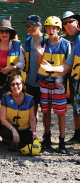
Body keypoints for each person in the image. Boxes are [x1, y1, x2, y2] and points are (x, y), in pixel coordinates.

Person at [35, 16, 72, 154]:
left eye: (54, 28)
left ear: (59, 29)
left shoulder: (66, 44)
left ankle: (62, 142)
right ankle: (47, 138)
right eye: (49, 28)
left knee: (61, 112)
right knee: (45, 111)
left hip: (59, 84)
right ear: (45, 29)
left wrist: (57, 73)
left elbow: (67, 66)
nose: (51, 30)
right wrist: (40, 54)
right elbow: (39, 65)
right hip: (45, 83)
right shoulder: (42, 43)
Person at [0, 19, 25, 144]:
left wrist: (11, 68)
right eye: (1, 31)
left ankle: (6, 134)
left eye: (7, 31)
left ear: (11, 33)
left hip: (10, 82)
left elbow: (22, 63)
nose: (4, 33)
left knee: (7, 109)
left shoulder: (17, 46)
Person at [0, 75, 37, 151]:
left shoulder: (30, 99)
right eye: (13, 84)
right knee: (7, 135)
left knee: (28, 141)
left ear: (22, 84)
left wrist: (34, 134)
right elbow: (2, 119)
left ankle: (18, 141)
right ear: (10, 86)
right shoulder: (5, 98)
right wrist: (13, 130)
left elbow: (32, 119)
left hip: (24, 129)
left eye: (18, 84)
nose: (15, 86)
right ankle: (11, 141)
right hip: (9, 129)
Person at [61, 11, 80, 144]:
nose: (68, 24)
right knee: (75, 106)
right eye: (65, 22)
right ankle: (77, 134)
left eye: (70, 21)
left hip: (78, 76)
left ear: (77, 23)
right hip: (69, 77)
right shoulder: (62, 38)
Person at [24, 15, 44, 122]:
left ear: (39, 26)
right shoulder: (28, 39)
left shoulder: (46, 41)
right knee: (32, 110)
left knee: (45, 111)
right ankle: (33, 134)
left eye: (33, 25)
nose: (30, 28)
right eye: (28, 25)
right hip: (30, 82)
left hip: (43, 82)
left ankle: (46, 135)